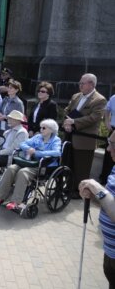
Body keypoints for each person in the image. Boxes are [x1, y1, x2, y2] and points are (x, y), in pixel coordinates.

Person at [0, 119, 61, 210]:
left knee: (23, 172)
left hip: (42, 166)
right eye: (41, 127)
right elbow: (23, 144)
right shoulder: (38, 137)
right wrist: (29, 149)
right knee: (11, 168)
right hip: (28, 162)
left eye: (44, 128)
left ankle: (16, 201)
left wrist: (37, 153)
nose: (41, 129)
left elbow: (57, 152)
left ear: (51, 129)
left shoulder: (56, 140)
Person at [79, 131, 115, 288]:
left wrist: (99, 190)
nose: (107, 149)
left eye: (112, 144)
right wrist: (93, 196)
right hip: (110, 252)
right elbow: (109, 202)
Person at [63, 73, 107, 199]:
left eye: (83, 83)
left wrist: (74, 122)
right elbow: (67, 109)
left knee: (81, 167)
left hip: (85, 139)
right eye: (80, 83)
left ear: (91, 84)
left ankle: (78, 191)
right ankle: (68, 186)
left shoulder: (99, 99)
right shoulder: (76, 96)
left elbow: (94, 117)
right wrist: (67, 122)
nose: (80, 85)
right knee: (68, 163)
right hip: (70, 135)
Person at [100, 94, 115, 185]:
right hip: (113, 129)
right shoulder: (114, 97)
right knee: (109, 157)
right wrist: (106, 122)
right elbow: (107, 109)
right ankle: (105, 180)